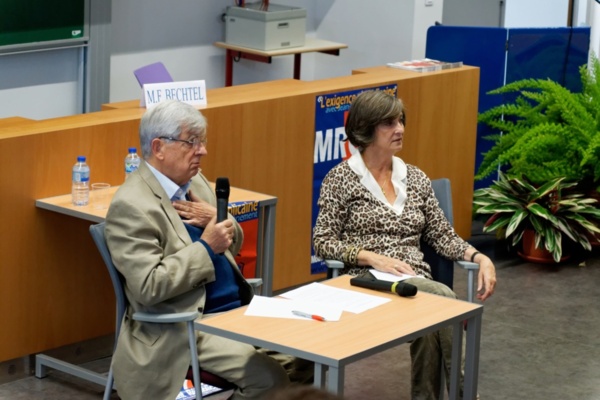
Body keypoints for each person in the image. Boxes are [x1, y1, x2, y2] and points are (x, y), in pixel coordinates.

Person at [105, 100, 308, 400]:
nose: (203, 151)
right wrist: (205, 246)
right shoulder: (131, 205)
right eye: (192, 142)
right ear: (159, 147)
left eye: (202, 141)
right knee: (270, 379)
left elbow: (231, 241)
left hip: (237, 311)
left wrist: (216, 221)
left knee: (309, 356)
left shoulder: (194, 181)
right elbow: (148, 287)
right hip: (188, 325)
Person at [312, 90, 497, 400]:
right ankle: (467, 395)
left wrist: (480, 258)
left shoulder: (416, 178)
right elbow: (322, 241)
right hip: (364, 282)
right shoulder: (340, 179)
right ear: (365, 130)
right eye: (388, 123)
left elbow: (442, 234)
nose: (399, 129)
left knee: (431, 325)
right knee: (443, 301)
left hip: (414, 283)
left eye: (400, 121)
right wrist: (371, 258)